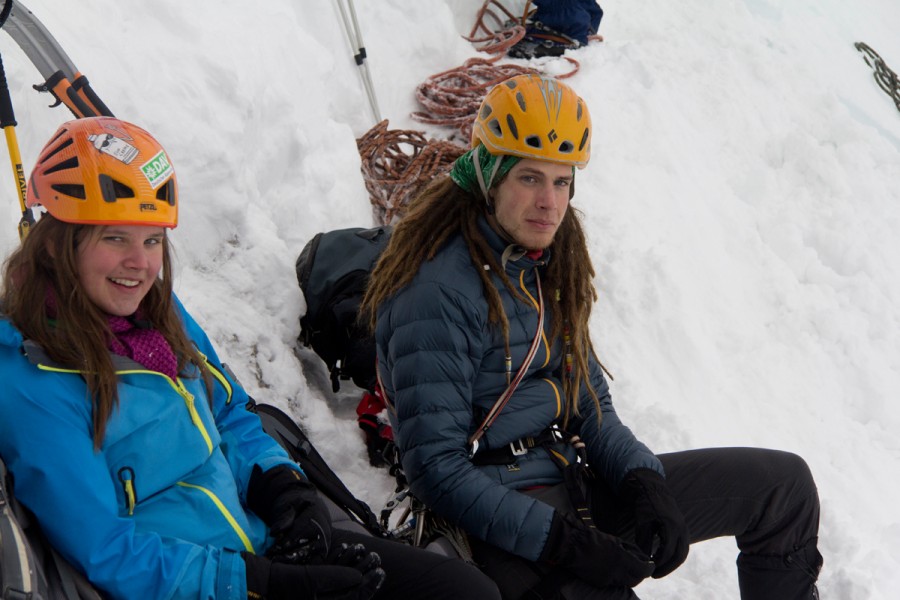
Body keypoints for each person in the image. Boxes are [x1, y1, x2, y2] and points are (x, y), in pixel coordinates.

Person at [361, 74, 823, 599]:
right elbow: (437, 470)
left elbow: (587, 400)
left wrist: (642, 480)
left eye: (562, 182)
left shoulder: (543, 262)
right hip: (497, 519)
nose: (549, 203)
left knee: (782, 489)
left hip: (568, 484)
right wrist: (566, 543)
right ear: (490, 176)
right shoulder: (437, 291)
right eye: (530, 178)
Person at [0, 116, 500, 600]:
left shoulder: (155, 312)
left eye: (152, 240)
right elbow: (106, 550)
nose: (141, 264)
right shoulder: (34, 380)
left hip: (255, 544)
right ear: (56, 246)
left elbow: (229, 411)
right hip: (196, 582)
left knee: (462, 589)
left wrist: (280, 486)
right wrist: (258, 582)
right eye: (115, 238)